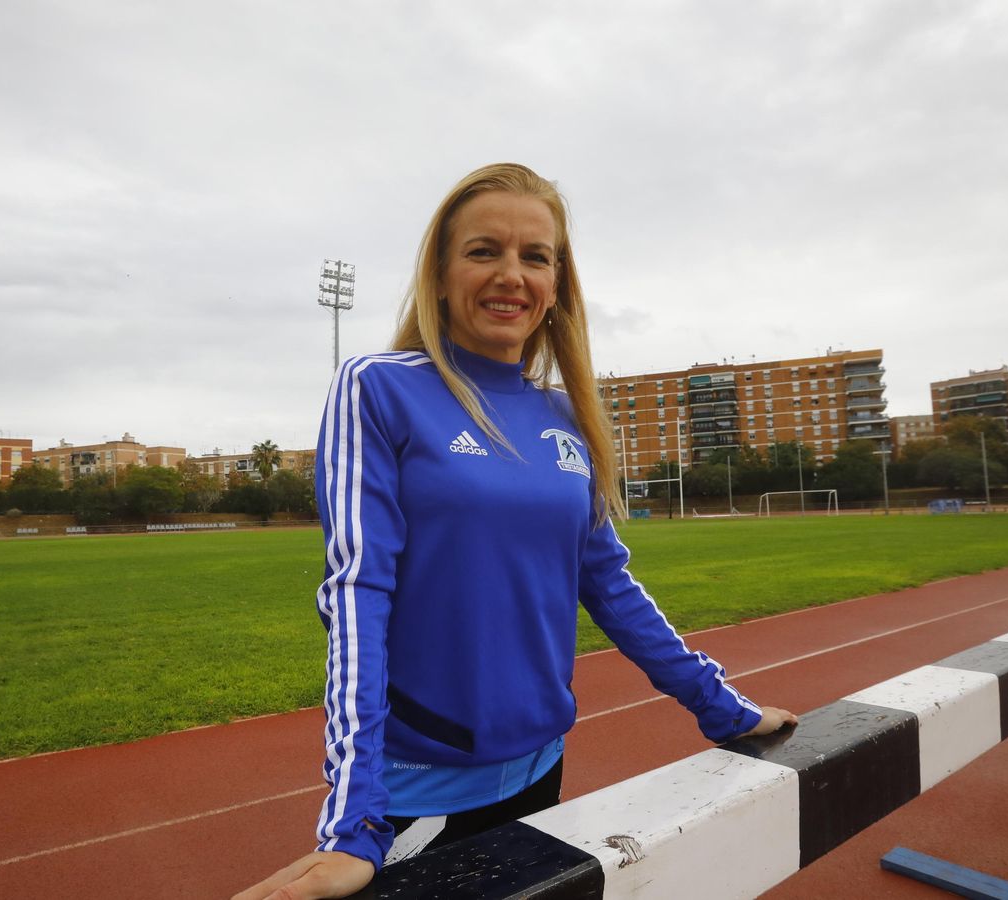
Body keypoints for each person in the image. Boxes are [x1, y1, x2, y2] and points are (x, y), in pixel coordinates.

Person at [235, 163, 796, 900]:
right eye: (483, 251)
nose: (511, 275)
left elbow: (609, 583)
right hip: (419, 788)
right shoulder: (378, 386)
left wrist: (721, 708)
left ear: (557, 284)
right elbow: (356, 594)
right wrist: (354, 823)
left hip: (540, 767)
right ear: (440, 274)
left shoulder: (570, 419)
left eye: (535, 256)